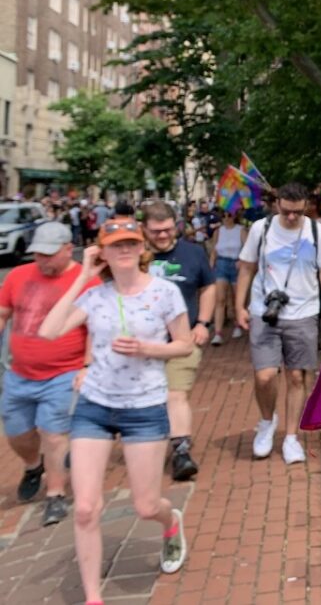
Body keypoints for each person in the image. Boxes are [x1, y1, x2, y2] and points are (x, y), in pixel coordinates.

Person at [39, 219, 193, 602]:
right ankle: (93, 596)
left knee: (145, 505)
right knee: (86, 509)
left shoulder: (165, 292)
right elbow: (48, 330)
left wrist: (148, 349)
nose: (123, 250)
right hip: (95, 406)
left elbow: (185, 345)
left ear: (141, 249)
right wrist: (82, 276)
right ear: (102, 251)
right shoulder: (94, 296)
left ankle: (169, 520)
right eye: (115, 245)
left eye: (130, 243)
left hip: (144, 407)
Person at [235, 182, 321, 464]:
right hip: (264, 312)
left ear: (306, 206)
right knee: (265, 375)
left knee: (297, 376)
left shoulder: (318, 232)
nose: (292, 217)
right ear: (277, 204)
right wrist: (239, 306)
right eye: (286, 212)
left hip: (303, 313)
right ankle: (266, 421)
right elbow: (246, 268)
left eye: (298, 212)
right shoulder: (262, 229)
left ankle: (291, 437)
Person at [0, 223, 97, 526]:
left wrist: (86, 366)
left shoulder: (87, 281)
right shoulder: (18, 276)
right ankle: (32, 465)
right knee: (17, 432)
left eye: (49, 255)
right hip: (19, 373)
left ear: (68, 248)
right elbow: (3, 313)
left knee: (54, 434)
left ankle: (55, 494)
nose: (42, 260)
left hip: (62, 373)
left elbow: (94, 328)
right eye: (38, 254)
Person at [142, 200, 217, 481]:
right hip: (141, 344)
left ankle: (181, 451)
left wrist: (203, 323)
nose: (162, 236)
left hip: (182, 339)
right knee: (148, 399)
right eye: (155, 231)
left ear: (176, 226)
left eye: (167, 229)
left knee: (176, 394)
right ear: (144, 230)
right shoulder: (134, 256)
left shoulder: (193, 252)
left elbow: (207, 287)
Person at [209, 209, 247, 346]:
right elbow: (214, 250)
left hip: (236, 264)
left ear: (235, 215)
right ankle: (218, 333)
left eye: (229, 215)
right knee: (220, 299)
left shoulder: (240, 230)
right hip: (222, 263)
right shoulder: (218, 231)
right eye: (223, 215)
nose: (226, 218)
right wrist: (211, 265)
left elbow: (248, 248)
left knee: (236, 297)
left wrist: (242, 260)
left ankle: (237, 324)